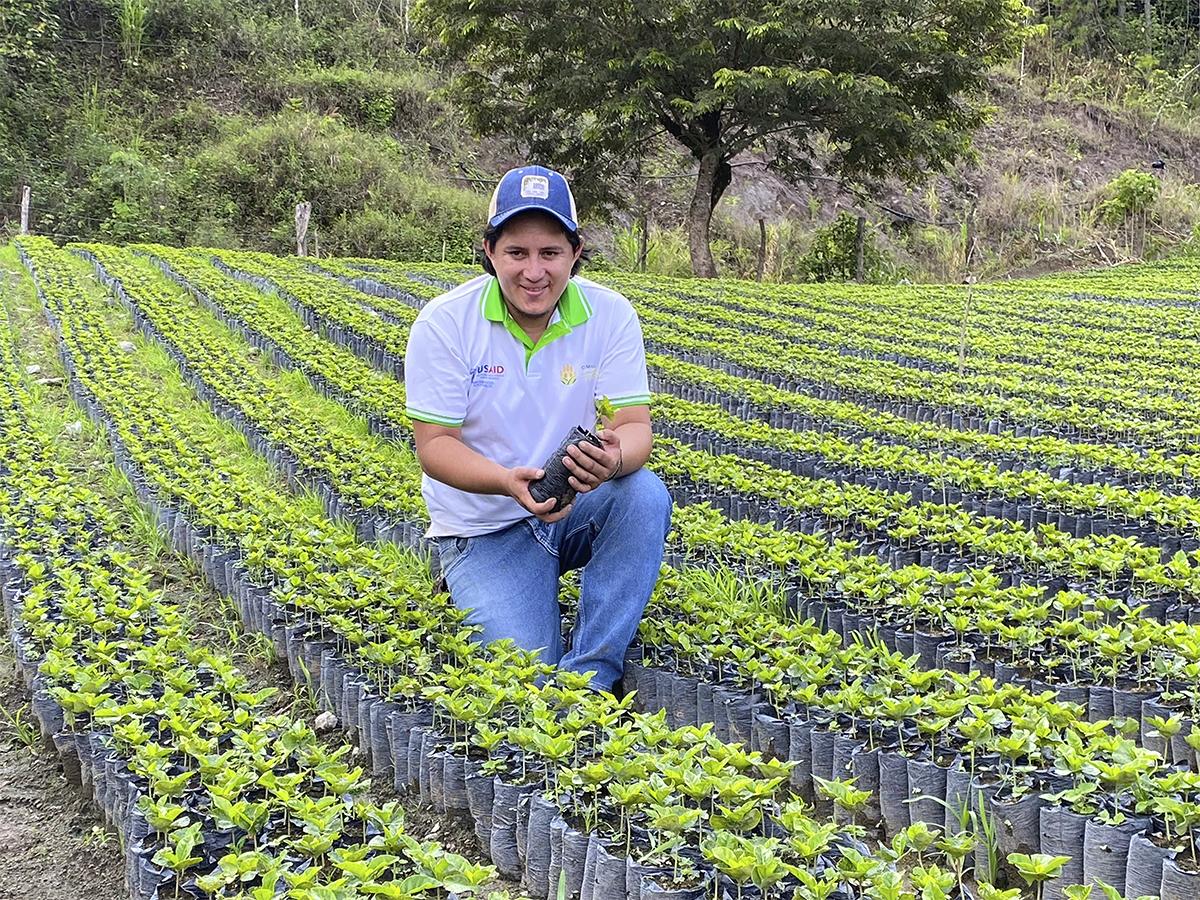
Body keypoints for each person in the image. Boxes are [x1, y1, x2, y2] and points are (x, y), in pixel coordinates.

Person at [403, 164, 672, 692]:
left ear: (575, 252)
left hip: (568, 510)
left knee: (642, 493)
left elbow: (635, 426)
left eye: (550, 253)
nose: (534, 271)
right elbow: (434, 447)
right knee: (523, 678)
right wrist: (506, 481)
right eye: (517, 253)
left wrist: (615, 459)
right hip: (485, 530)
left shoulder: (610, 315)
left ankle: (592, 677)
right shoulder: (445, 323)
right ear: (489, 251)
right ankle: (476, 579)